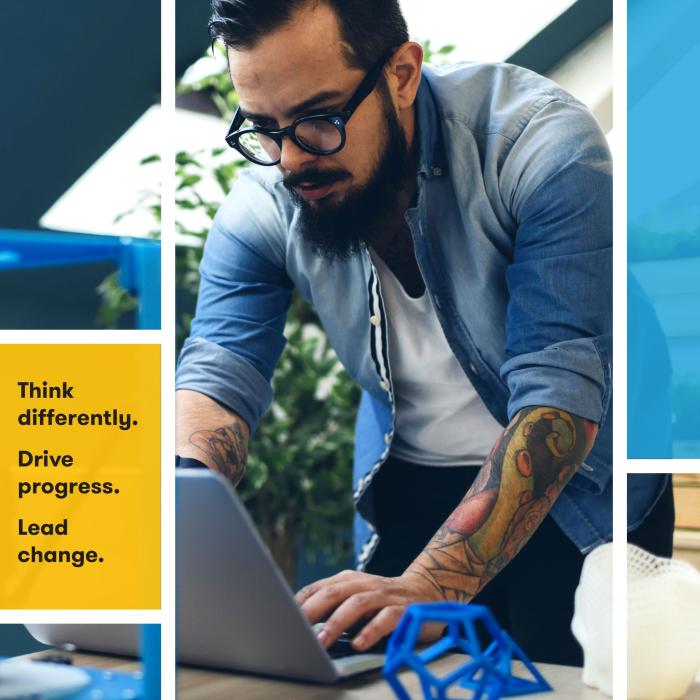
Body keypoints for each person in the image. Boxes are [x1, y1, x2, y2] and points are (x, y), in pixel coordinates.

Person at [176, 0, 670, 664]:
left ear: (402, 74)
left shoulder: (541, 145)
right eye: (265, 128)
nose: (292, 160)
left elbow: (560, 398)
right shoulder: (265, 201)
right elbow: (218, 370)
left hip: (579, 489)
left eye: (320, 120)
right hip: (411, 484)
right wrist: (172, 521)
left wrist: (434, 582)